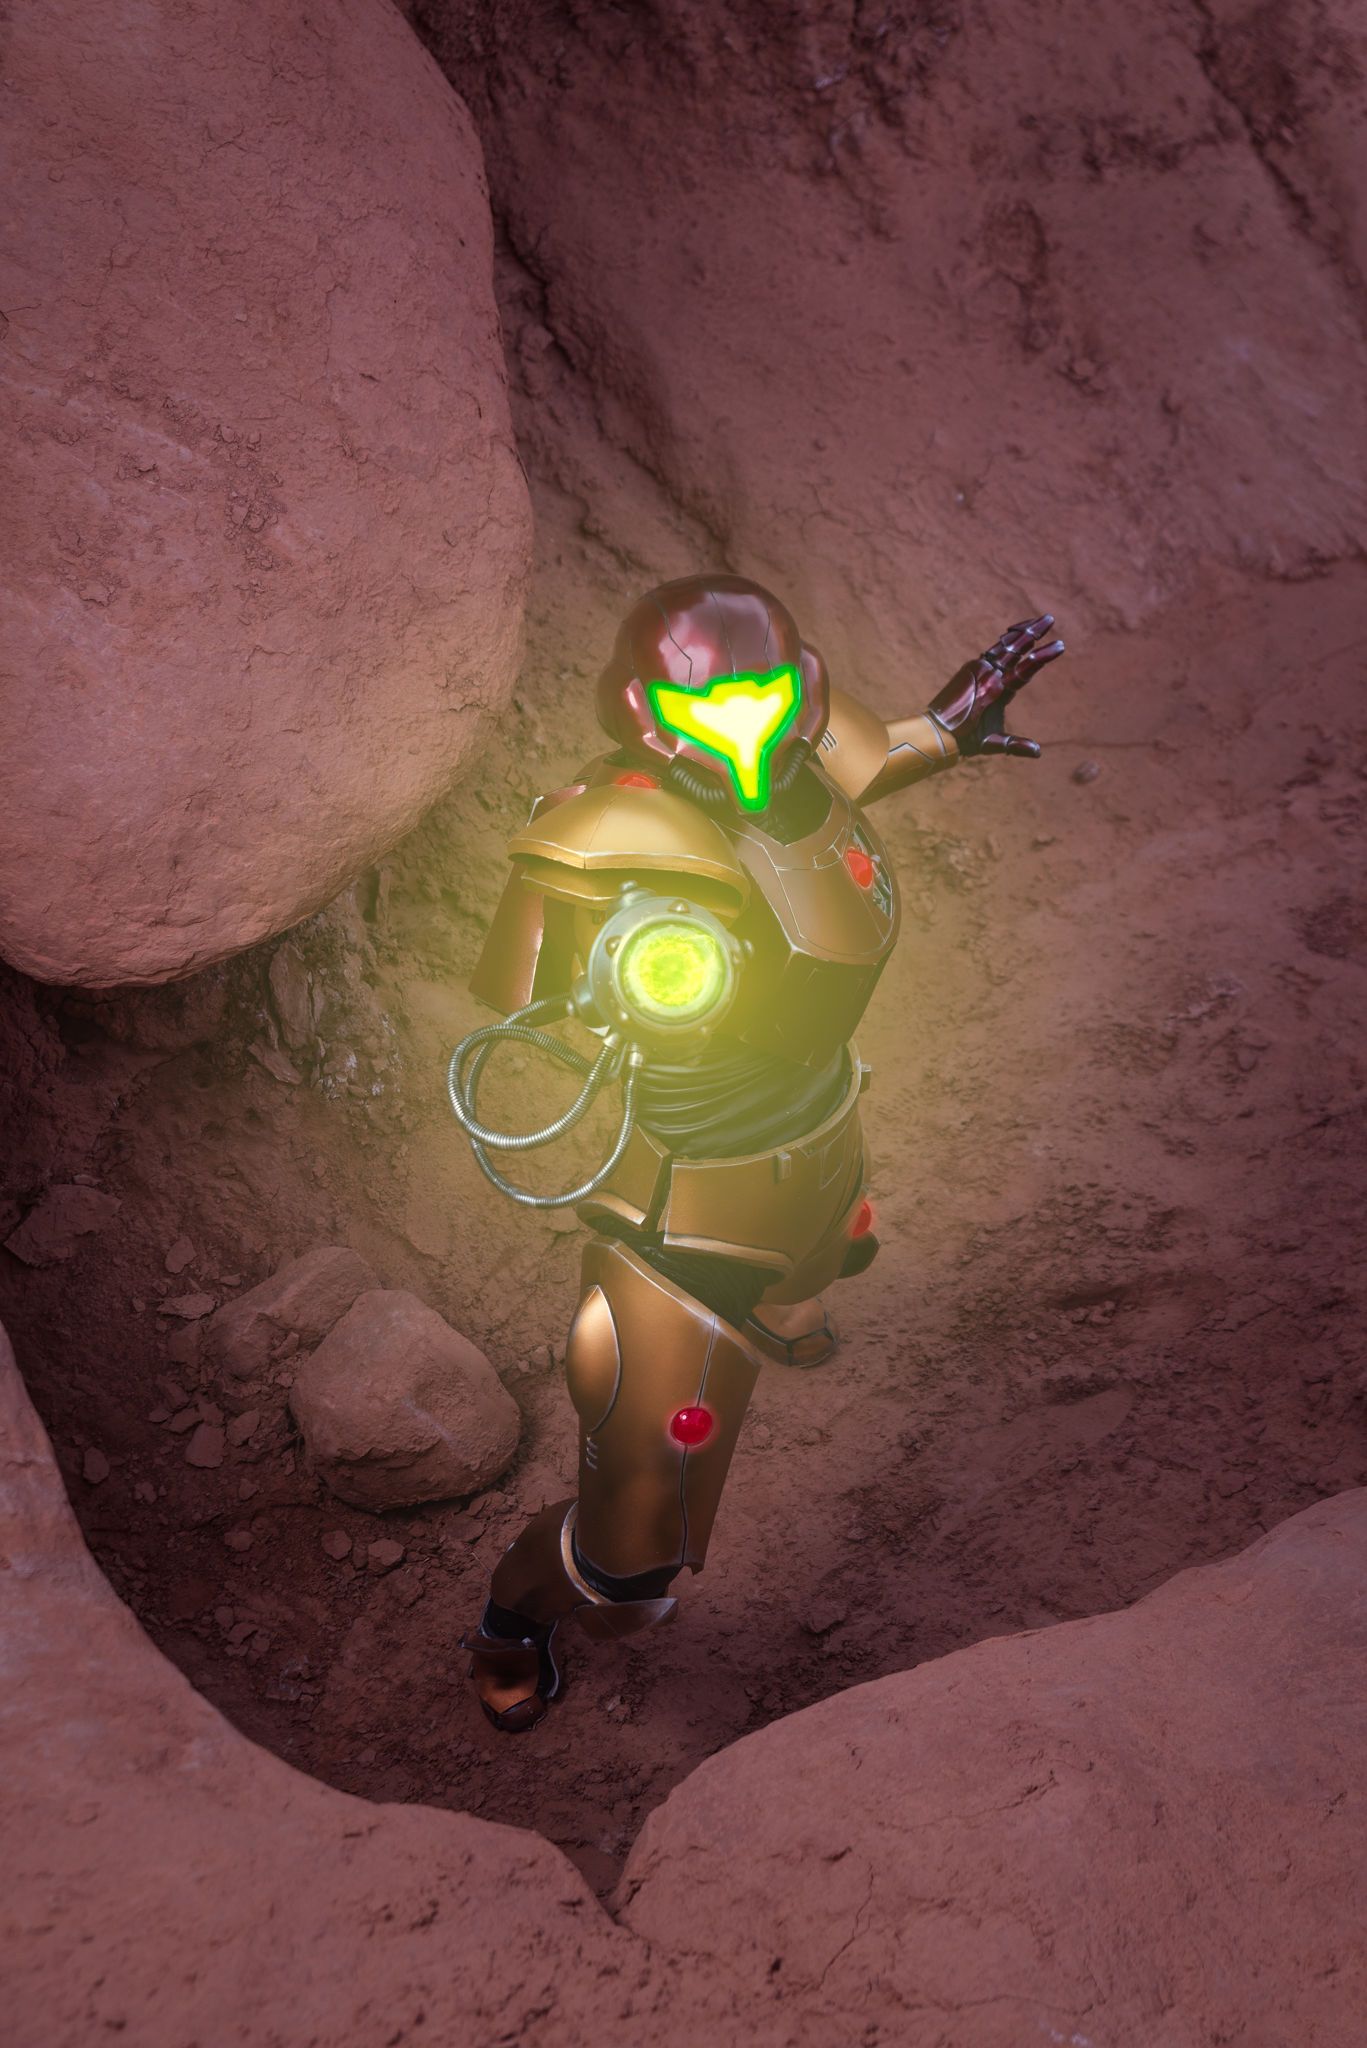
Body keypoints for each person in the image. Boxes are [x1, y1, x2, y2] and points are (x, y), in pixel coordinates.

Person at [455, 573, 1064, 1731]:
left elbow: (855, 771)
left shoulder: (804, 758)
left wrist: (946, 726)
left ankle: (788, 1298)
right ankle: (510, 1617)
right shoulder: (617, 830)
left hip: (822, 1134)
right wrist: (634, 961)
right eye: (707, 706)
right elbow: (530, 990)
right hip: (685, 1215)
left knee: (815, 1266)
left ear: (802, 687)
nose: (743, 727)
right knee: (627, 1571)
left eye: (766, 697)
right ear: (644, 712)